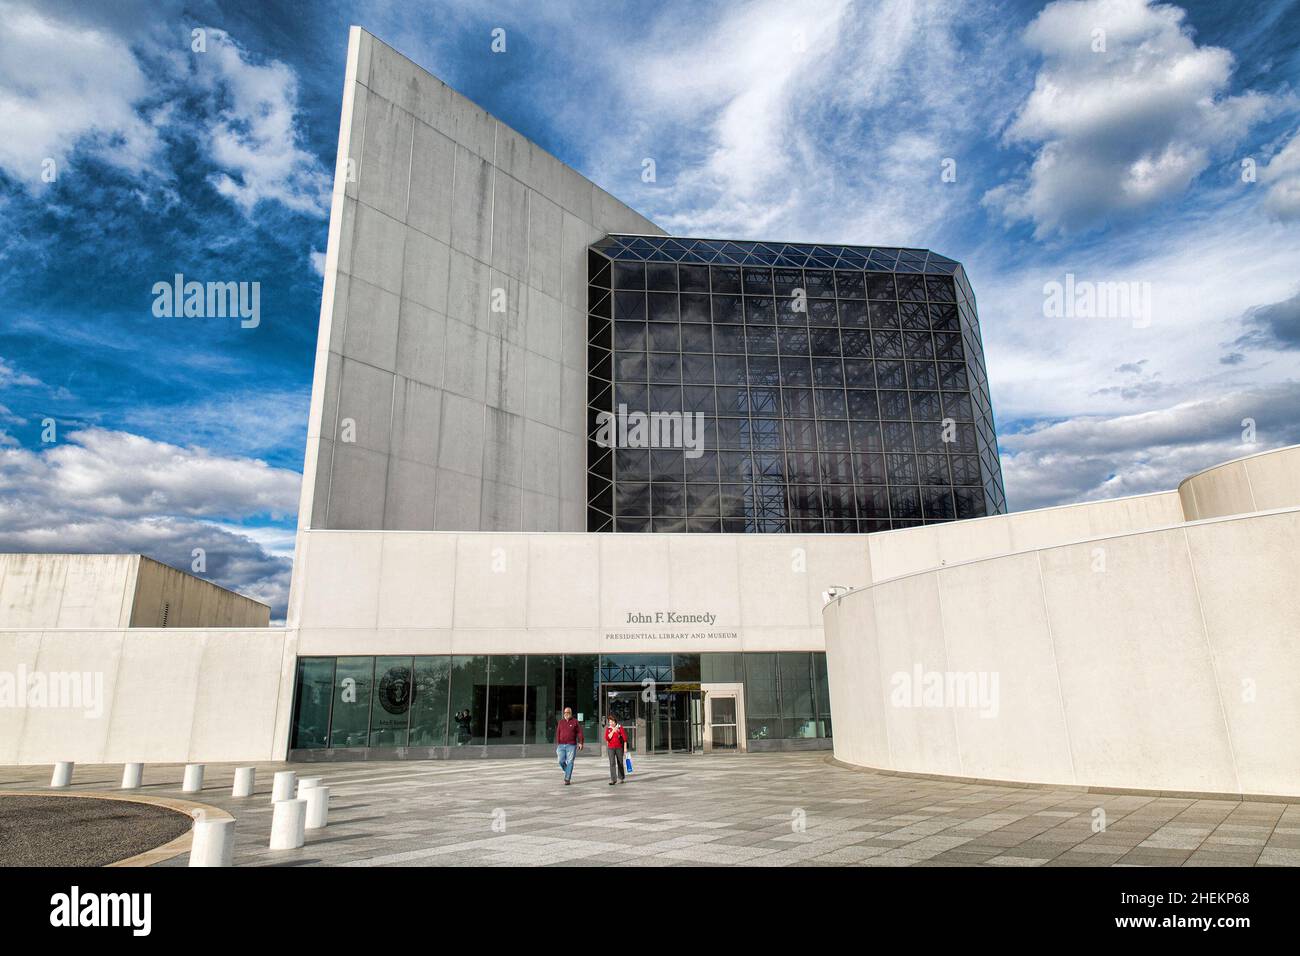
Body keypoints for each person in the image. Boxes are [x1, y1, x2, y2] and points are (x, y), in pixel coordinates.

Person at [555, 706, 584, 785]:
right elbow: (558, 732)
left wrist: (580, 742)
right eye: (565, 712)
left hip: (571, 745)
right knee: (560, 761)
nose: (566, 714)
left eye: (568, 712)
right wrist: (558, 743)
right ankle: (568, 771)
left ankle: (567, 778)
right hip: (561, 745)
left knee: (570, 761)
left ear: (571, 713)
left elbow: (579, 732)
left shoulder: (575, 722)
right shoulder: (561, 722)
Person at [604, 714, 629, 786]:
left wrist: (625, 748)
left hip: (619, 748)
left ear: (615, 721)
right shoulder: (608, 729)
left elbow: (625, 739)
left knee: (620, 762)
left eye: (612, 722)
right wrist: (612, 731)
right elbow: (607, 738)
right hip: (611, 748)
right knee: (612, 763)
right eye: (609, 722)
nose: (611, 723)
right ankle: (613, 780)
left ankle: (621, 778)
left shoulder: (620, 727)